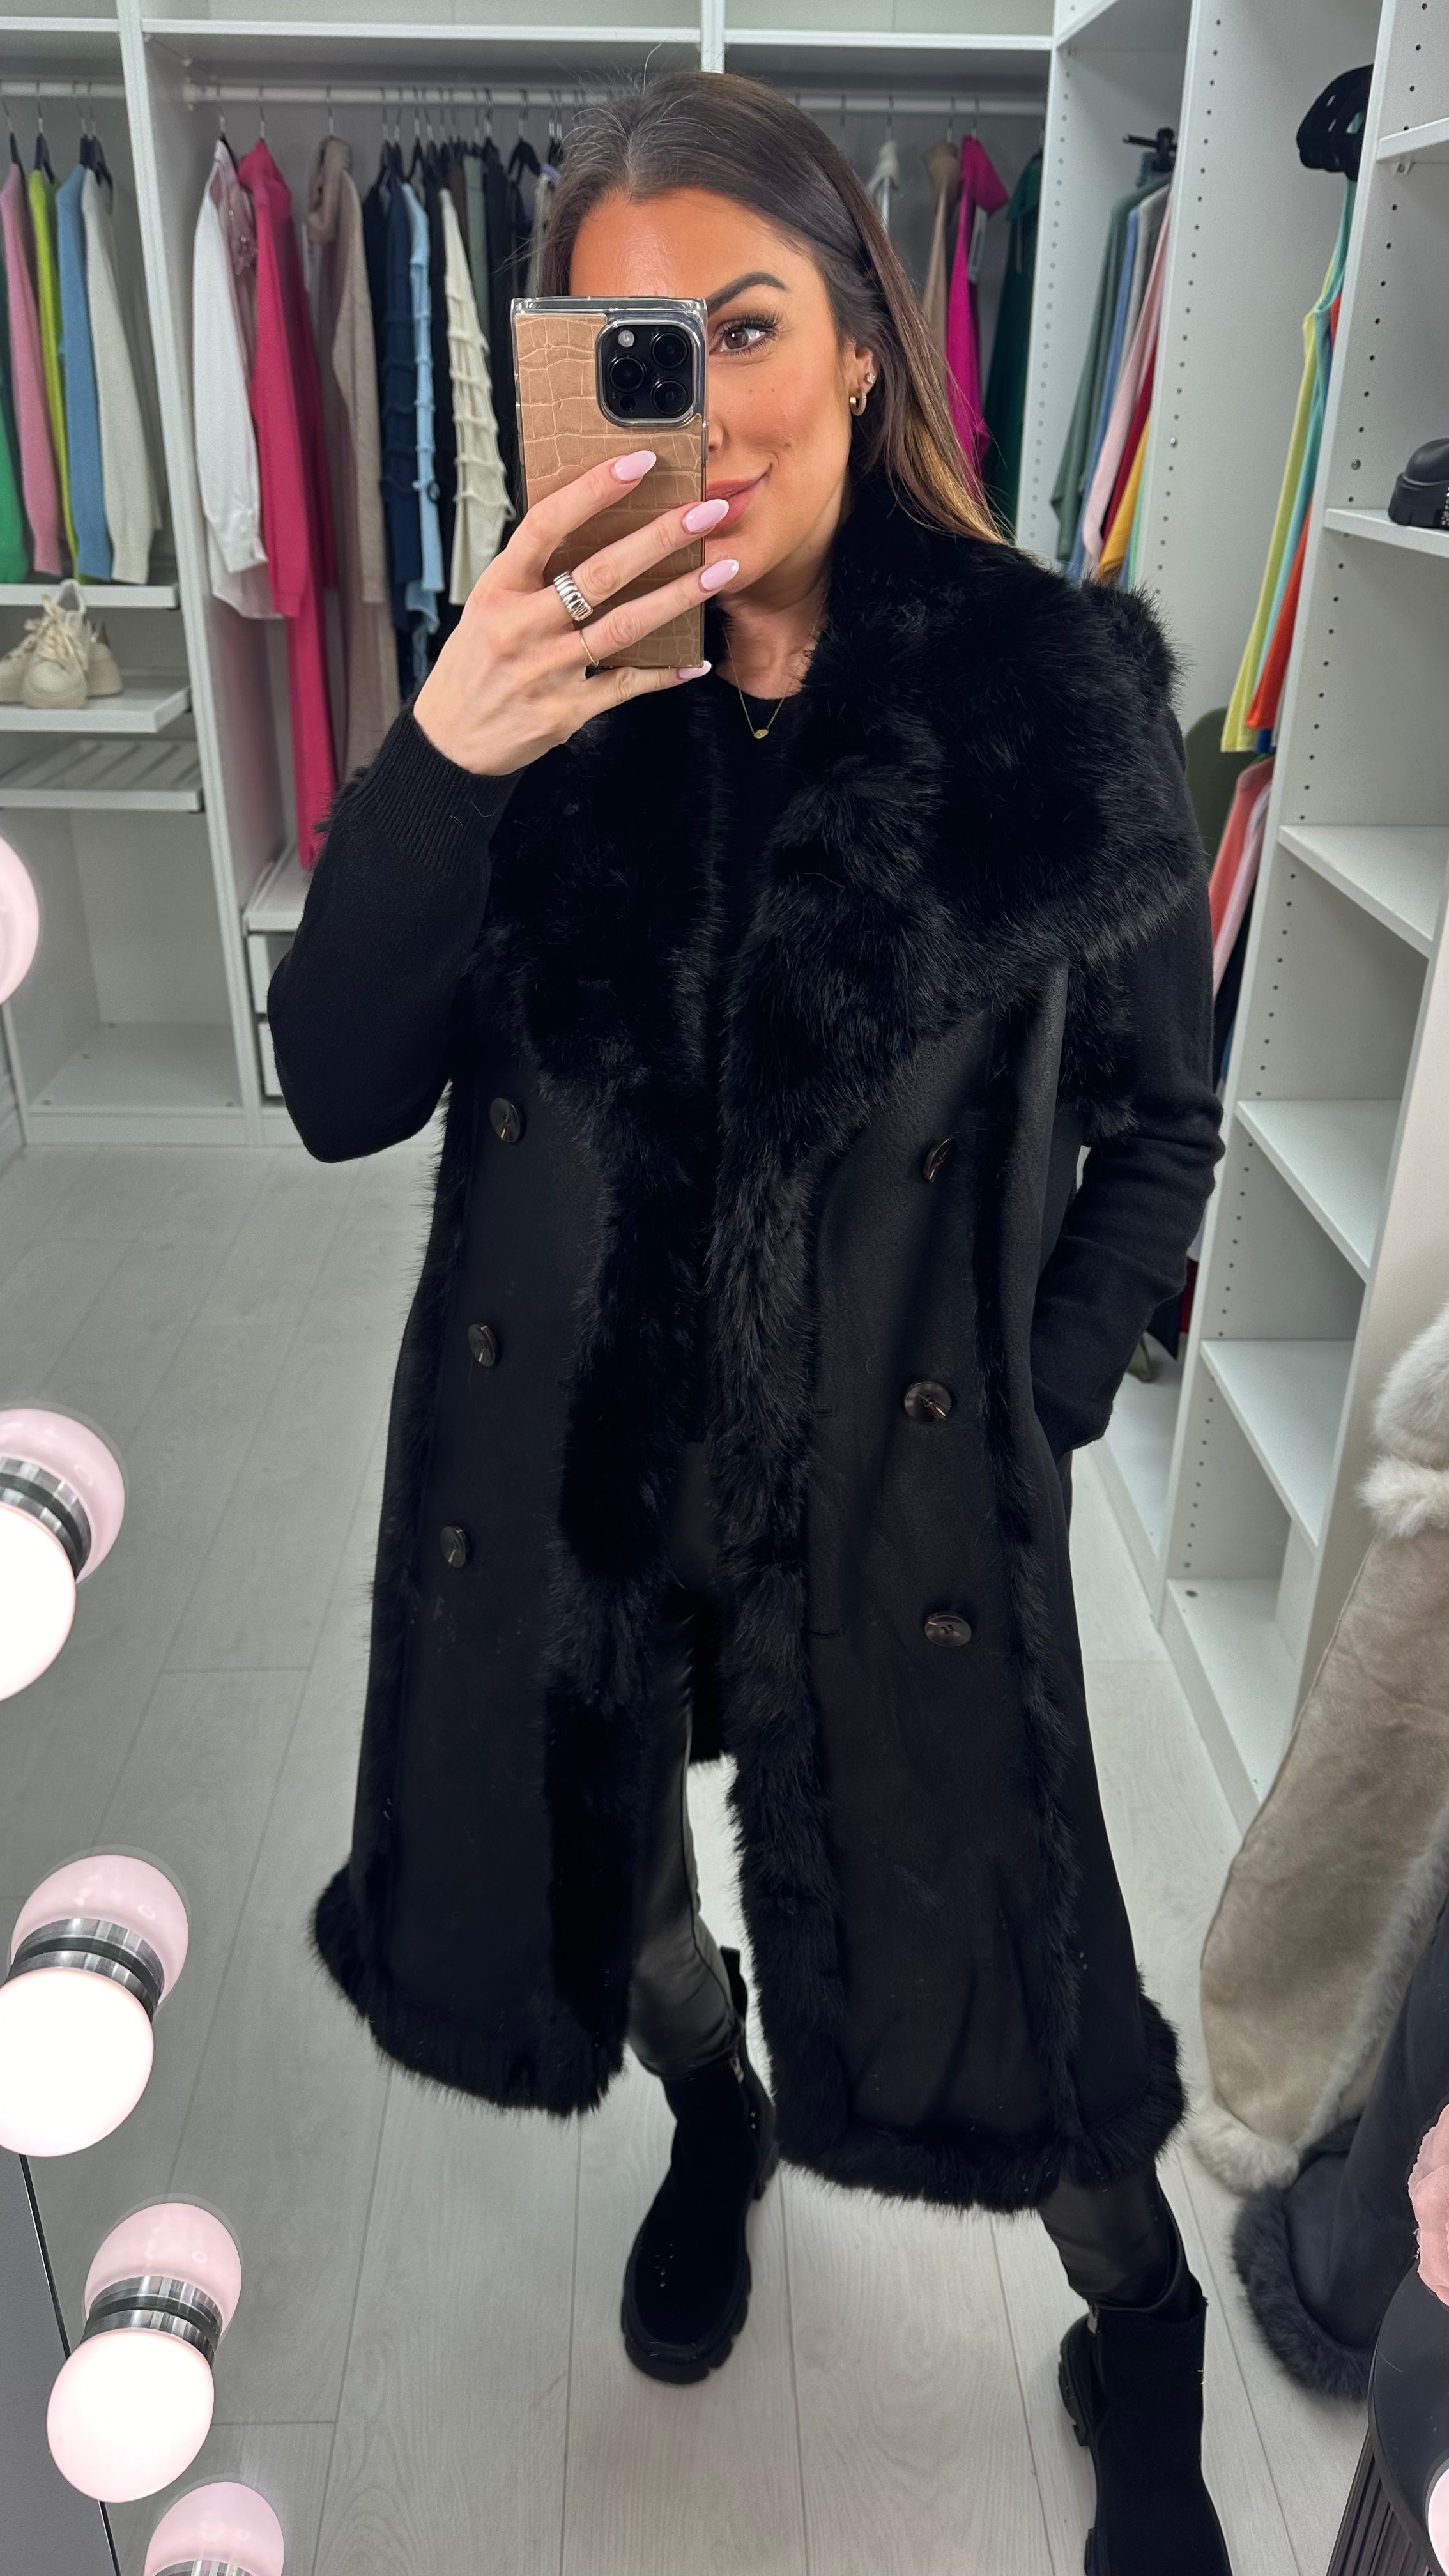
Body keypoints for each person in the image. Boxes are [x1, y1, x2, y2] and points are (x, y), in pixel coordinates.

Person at [269, 71, 1229, 2575]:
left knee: (1008, 1966)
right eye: (637, 347)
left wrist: (1024, 1406)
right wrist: (443, 757)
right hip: (596, 1485)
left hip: (900, 1502)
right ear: (563, 384)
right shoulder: (538, 702)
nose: (704, 397)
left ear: (867, 345)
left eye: (752, 322)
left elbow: (1167, 1124)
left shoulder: (1049, 700)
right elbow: (340, 1091)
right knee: (625, 1887)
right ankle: (716, 2115)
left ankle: (1141, 2321)